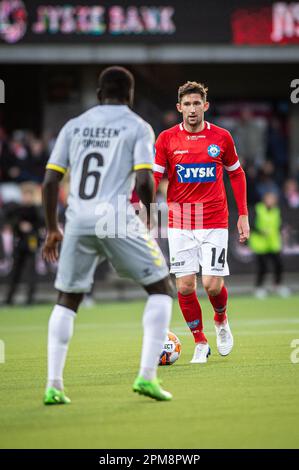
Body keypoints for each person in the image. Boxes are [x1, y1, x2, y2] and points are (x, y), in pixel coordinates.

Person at [42, 66, 174, 405]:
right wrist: (147, 214)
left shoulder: (74, 126)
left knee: (67, 299)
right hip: (115, 218)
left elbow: (50, 182)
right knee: (161, 288)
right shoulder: (137, 127)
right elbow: (145, 180)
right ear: (129, 96)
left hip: (77, 219)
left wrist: (52, 228)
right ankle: (147, 376)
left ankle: (53, 385)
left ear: (100, 93)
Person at [154, 81, 250, 363]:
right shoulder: (166, 139)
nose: (192, 109)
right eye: (187, 104)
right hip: (181, 221)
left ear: (205, 106)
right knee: (184, 286)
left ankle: (221, 320)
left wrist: (243, 213)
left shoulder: (221, 137)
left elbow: (237, 173)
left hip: (215, 220)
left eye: (197, 104)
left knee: (211, 285)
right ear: (179, 108)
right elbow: (154, 176)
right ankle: (199, 341)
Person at [4, 183, 42, 305]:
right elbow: (10, 222)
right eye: (24, 195)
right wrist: (19, 225)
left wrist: (31, 228)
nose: (26, 197)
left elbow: (41, 225)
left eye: (28, 195)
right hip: (19, 244)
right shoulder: (17, 209)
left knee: (31, 272)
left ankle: (30, 298)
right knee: (15, 272)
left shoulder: (36, 210)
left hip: (31, 243)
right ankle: (9, 299)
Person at [249, 192, 289, 298]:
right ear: (264, 199)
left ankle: (277, 286)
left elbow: (279, 224)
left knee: (279, 265)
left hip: (273, 243)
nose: (271, 201)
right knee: (262, 267)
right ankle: (259, 287)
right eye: (269, 199)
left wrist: (283, 232)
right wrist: (261, 231)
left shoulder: (276, 210)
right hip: (260, 244)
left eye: (272, 199)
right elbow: (251, 224)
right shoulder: (258, 209)